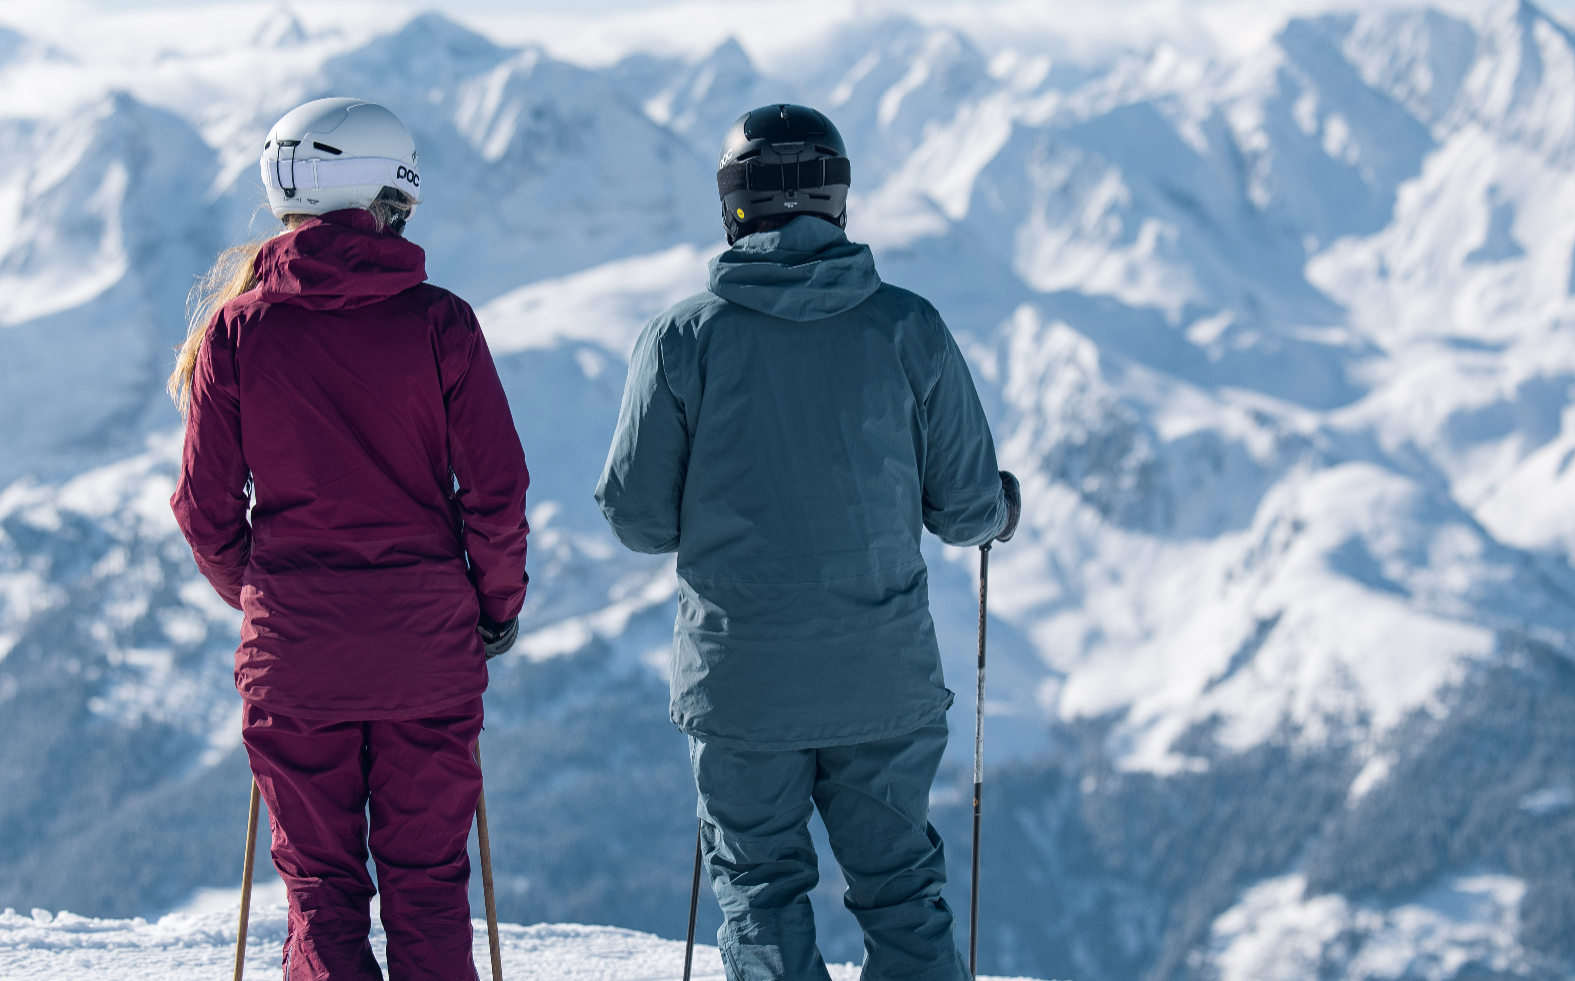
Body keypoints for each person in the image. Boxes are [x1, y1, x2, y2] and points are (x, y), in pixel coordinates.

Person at [595, 104, 1020, 981]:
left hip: (741, 682)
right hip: (882, 675)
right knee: (901, 887)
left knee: (759, 888)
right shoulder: (909, 327)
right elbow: (968, 512)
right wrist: (1002, 504)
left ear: (733, 203)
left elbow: (638, 520)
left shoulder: (683, 337)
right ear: (837, 199)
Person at [170, 97, 529, 981]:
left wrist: (269, 597)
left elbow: (205, 507)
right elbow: (496, 492)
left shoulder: (238, 328)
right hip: (426, 651)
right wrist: (493, 607)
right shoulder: (441, 323)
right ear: (382, 199)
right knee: (428, 884)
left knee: (323, 889)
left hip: (296, 655)